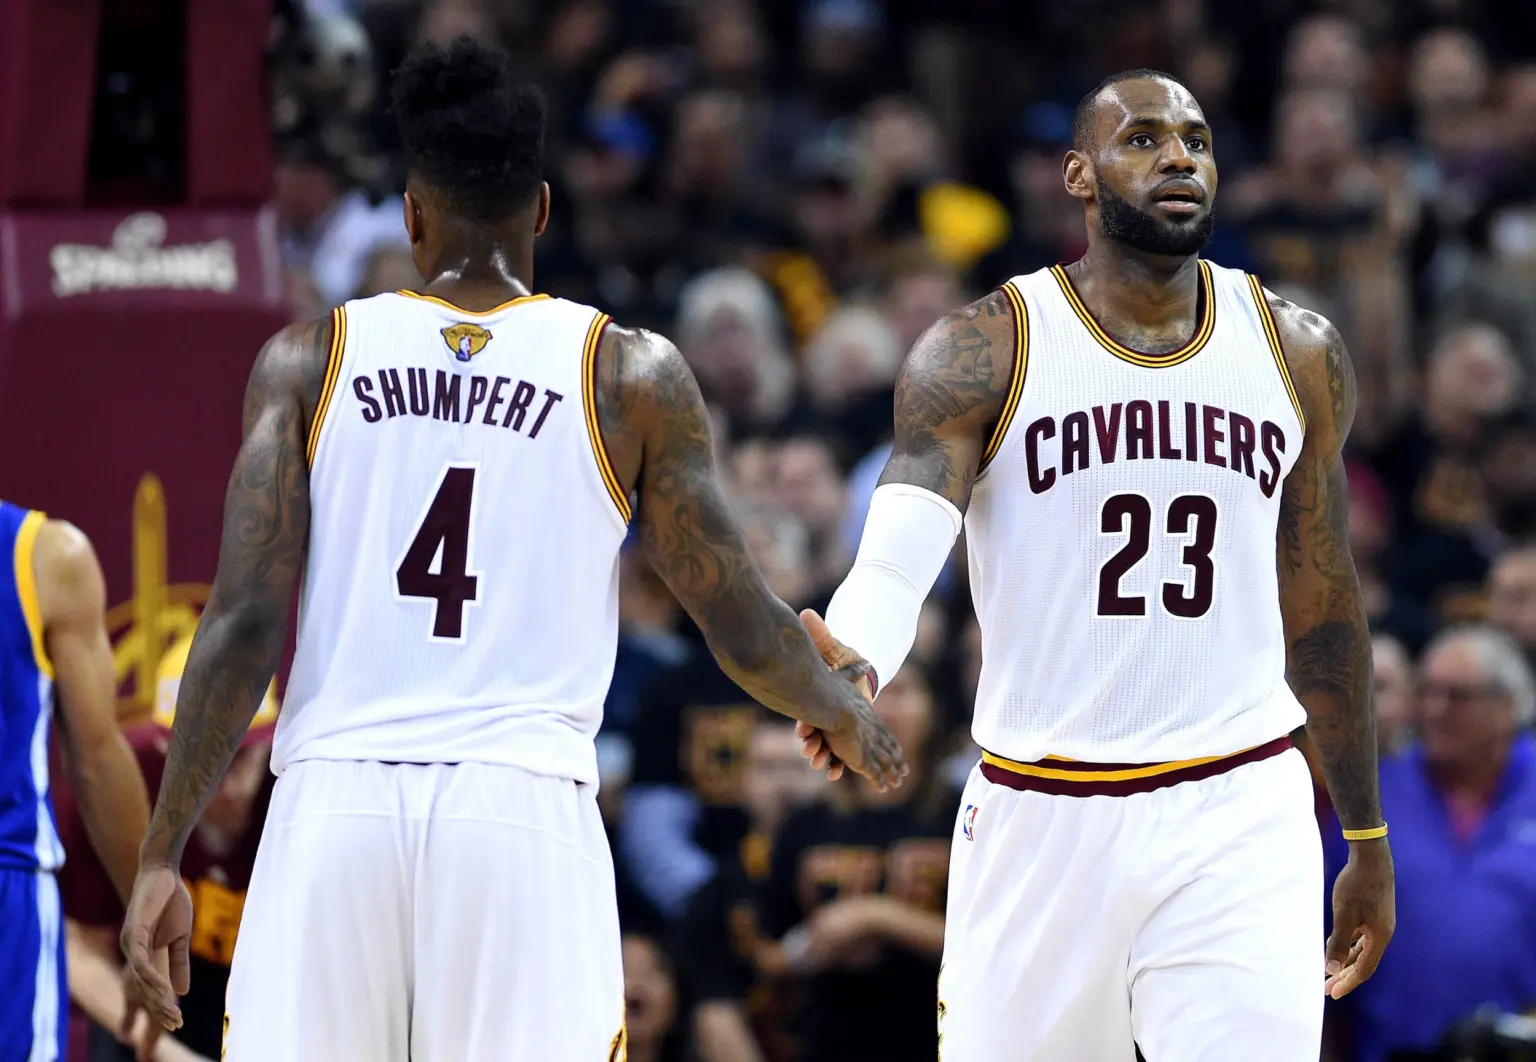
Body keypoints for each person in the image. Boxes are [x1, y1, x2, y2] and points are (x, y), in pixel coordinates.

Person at [118, 37, 904, 1062]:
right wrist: (837, 706)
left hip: (335, 805)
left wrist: (160, 854)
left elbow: (242, 620)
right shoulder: (629, 374)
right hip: (520, 808)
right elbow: (735, 612)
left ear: (410, 209)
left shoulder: (309, 361)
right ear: (541, 207)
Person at [797, 68, 1395, 1060]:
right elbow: (899, 563)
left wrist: (1367, 838)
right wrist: (855, 655)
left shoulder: (1295, 349)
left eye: (1197, 142)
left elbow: (1323, 609)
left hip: (1237, 807)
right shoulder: (983, 346)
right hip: (1041, 812)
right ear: (1077, 175)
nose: (1177, 158)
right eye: (1144, 139)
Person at [58, 627, 278, 1062]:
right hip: (159, 1003)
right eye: (206, 758)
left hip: (268, 997)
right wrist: (169, 1055)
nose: (224, 783)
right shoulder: (120, 786)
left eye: (241, 754)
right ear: (166, 745)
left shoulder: (302, 788)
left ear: (273, 737)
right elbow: (81, 948)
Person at [1323, 626, 1536, 1062]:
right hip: (1388, 1050)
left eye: (1458, 697)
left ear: (1507, 707)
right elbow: (1320, 929)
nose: (1435, 710)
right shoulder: (1371, 798)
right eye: (1427, 692)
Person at [0, 503, 151, 1059]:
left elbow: (98, 760)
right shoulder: (44, 555)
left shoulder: (42, 557)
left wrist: (145, 911)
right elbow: (97, 759)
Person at [760, 665, 954, 1062]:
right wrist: (813, 946)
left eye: (902, 691)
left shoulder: (962, 813)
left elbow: (989, 945)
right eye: (872, 694)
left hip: (939, 1038)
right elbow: (771, 948)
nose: (886, 709)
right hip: (831, 1036)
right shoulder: (807, 823)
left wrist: (875, 916)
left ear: (933, 709)